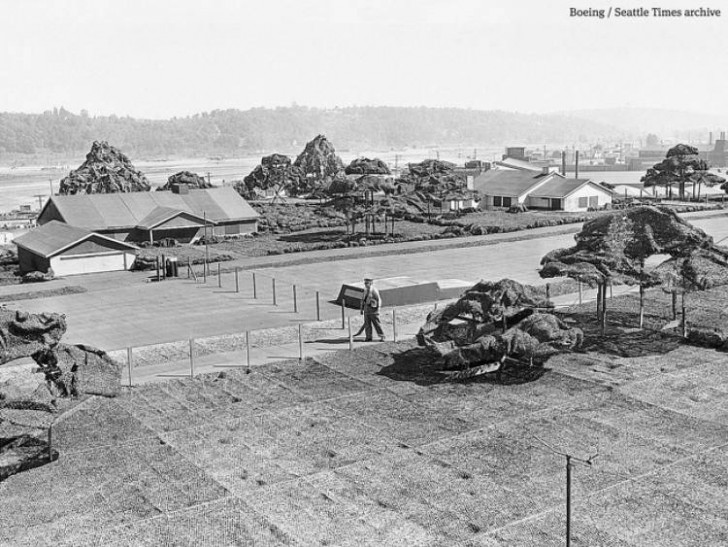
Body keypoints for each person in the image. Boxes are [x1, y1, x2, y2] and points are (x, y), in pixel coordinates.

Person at [360, 277, 385, 342]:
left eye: (367, 283)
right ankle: (368, 337)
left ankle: (382, 336)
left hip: (373, 309)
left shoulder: (374, 290)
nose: (365, 284)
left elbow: (379, 299)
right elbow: (363, 300)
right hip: (366, 308)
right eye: (365, 283)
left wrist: (378, 308)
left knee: (377, 324)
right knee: (367, 324)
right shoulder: (365, 290)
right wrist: (361, 309)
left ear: (371, 283)